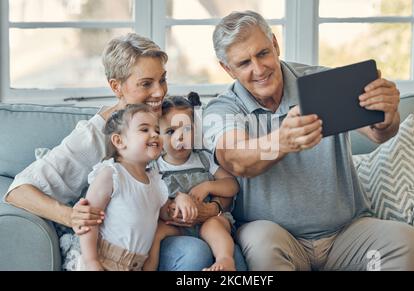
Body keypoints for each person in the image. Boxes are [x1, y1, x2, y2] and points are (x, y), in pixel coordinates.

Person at [203, 10, 414, 271]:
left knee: (405, 241)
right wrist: (282, 142)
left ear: (275, 44)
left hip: (347, 235)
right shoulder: (223, 108)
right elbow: (237, 159)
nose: (259, 69)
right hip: (278, 239)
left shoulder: (322, 84)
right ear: (227, 69)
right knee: (262, 242)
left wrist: (386, 114)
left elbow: (379, 132)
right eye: (244, 63)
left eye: (263, 53)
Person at [4, 33, 244, 271]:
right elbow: (18, 191)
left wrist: (213, 209)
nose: (160, 92)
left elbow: (214, 174)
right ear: (116, 86)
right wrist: (71, 216)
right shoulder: (93, 139)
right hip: (114, 248)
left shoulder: (172, 116)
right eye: (146, 83)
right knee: (195, 253)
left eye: (162, 79)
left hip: (169, 229)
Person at [146, 93, 239, 271]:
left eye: (187, 129)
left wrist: (208, 186)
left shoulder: (204, 159)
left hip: (208, 221)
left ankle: (225, 260)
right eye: (171, 131)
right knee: (155, 232)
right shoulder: (155, 167)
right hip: (175, 225)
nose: (180, 137)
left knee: (213, 226)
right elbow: (151, 200)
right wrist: (178, 199)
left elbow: (232, 185)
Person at [79, 104, 168, 271]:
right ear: (119, 141)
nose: (155, 134)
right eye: (144, 129)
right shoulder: (111, 175)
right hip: (104, 261)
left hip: (137, 265)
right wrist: (91, 261)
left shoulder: (156, 182)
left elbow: (164, 216)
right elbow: (89, 220)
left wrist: (182, 200)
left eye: (157, 130)